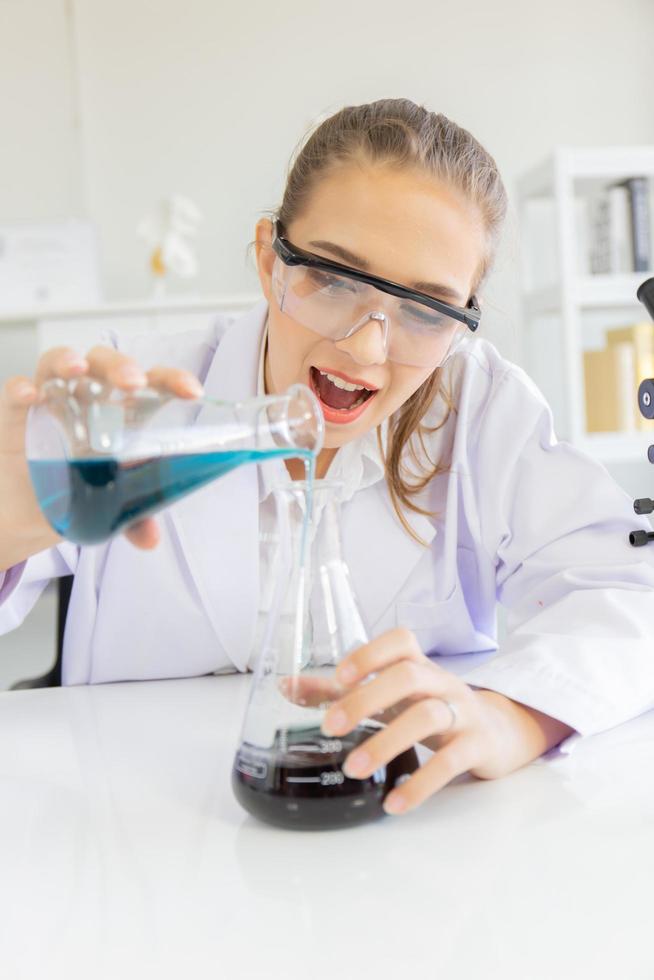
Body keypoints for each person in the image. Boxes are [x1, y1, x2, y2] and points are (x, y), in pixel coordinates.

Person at [1, 99, 653, 818]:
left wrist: (514, 715)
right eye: (335, 279)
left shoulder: (482, 408)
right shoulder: (134, 395)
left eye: (427, 310)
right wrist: (12, 517)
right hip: (138, 834)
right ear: (267, 259)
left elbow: (631, 592)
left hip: (408, 841)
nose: (366, 347)